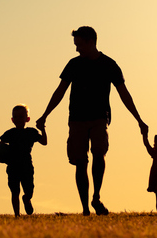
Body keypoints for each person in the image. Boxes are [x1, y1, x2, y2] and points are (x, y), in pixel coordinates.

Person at [36, 26, 148, 216]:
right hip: (77, 119)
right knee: (80, 162)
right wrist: (45, 114)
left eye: (79, 44)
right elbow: (60, 91)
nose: (76, 49)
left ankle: (96, 196)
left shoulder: (109, 65)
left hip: (99, 118)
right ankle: (85, 208)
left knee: (99, 153)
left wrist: (139, 119)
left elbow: (124, 94)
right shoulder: (73, 64)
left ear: (90, 42)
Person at [0, 104, 48, 217]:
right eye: (15, 117)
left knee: (29, 189)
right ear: (12, 120)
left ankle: (27, 199)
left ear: (27, 119)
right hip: (12, 166)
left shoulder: (31, 132)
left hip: (26, 166)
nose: (18, 119)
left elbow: (44, 142)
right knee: (14, 191)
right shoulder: (9, 133)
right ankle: (17, 215)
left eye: (21, 116)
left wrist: (42, 130)